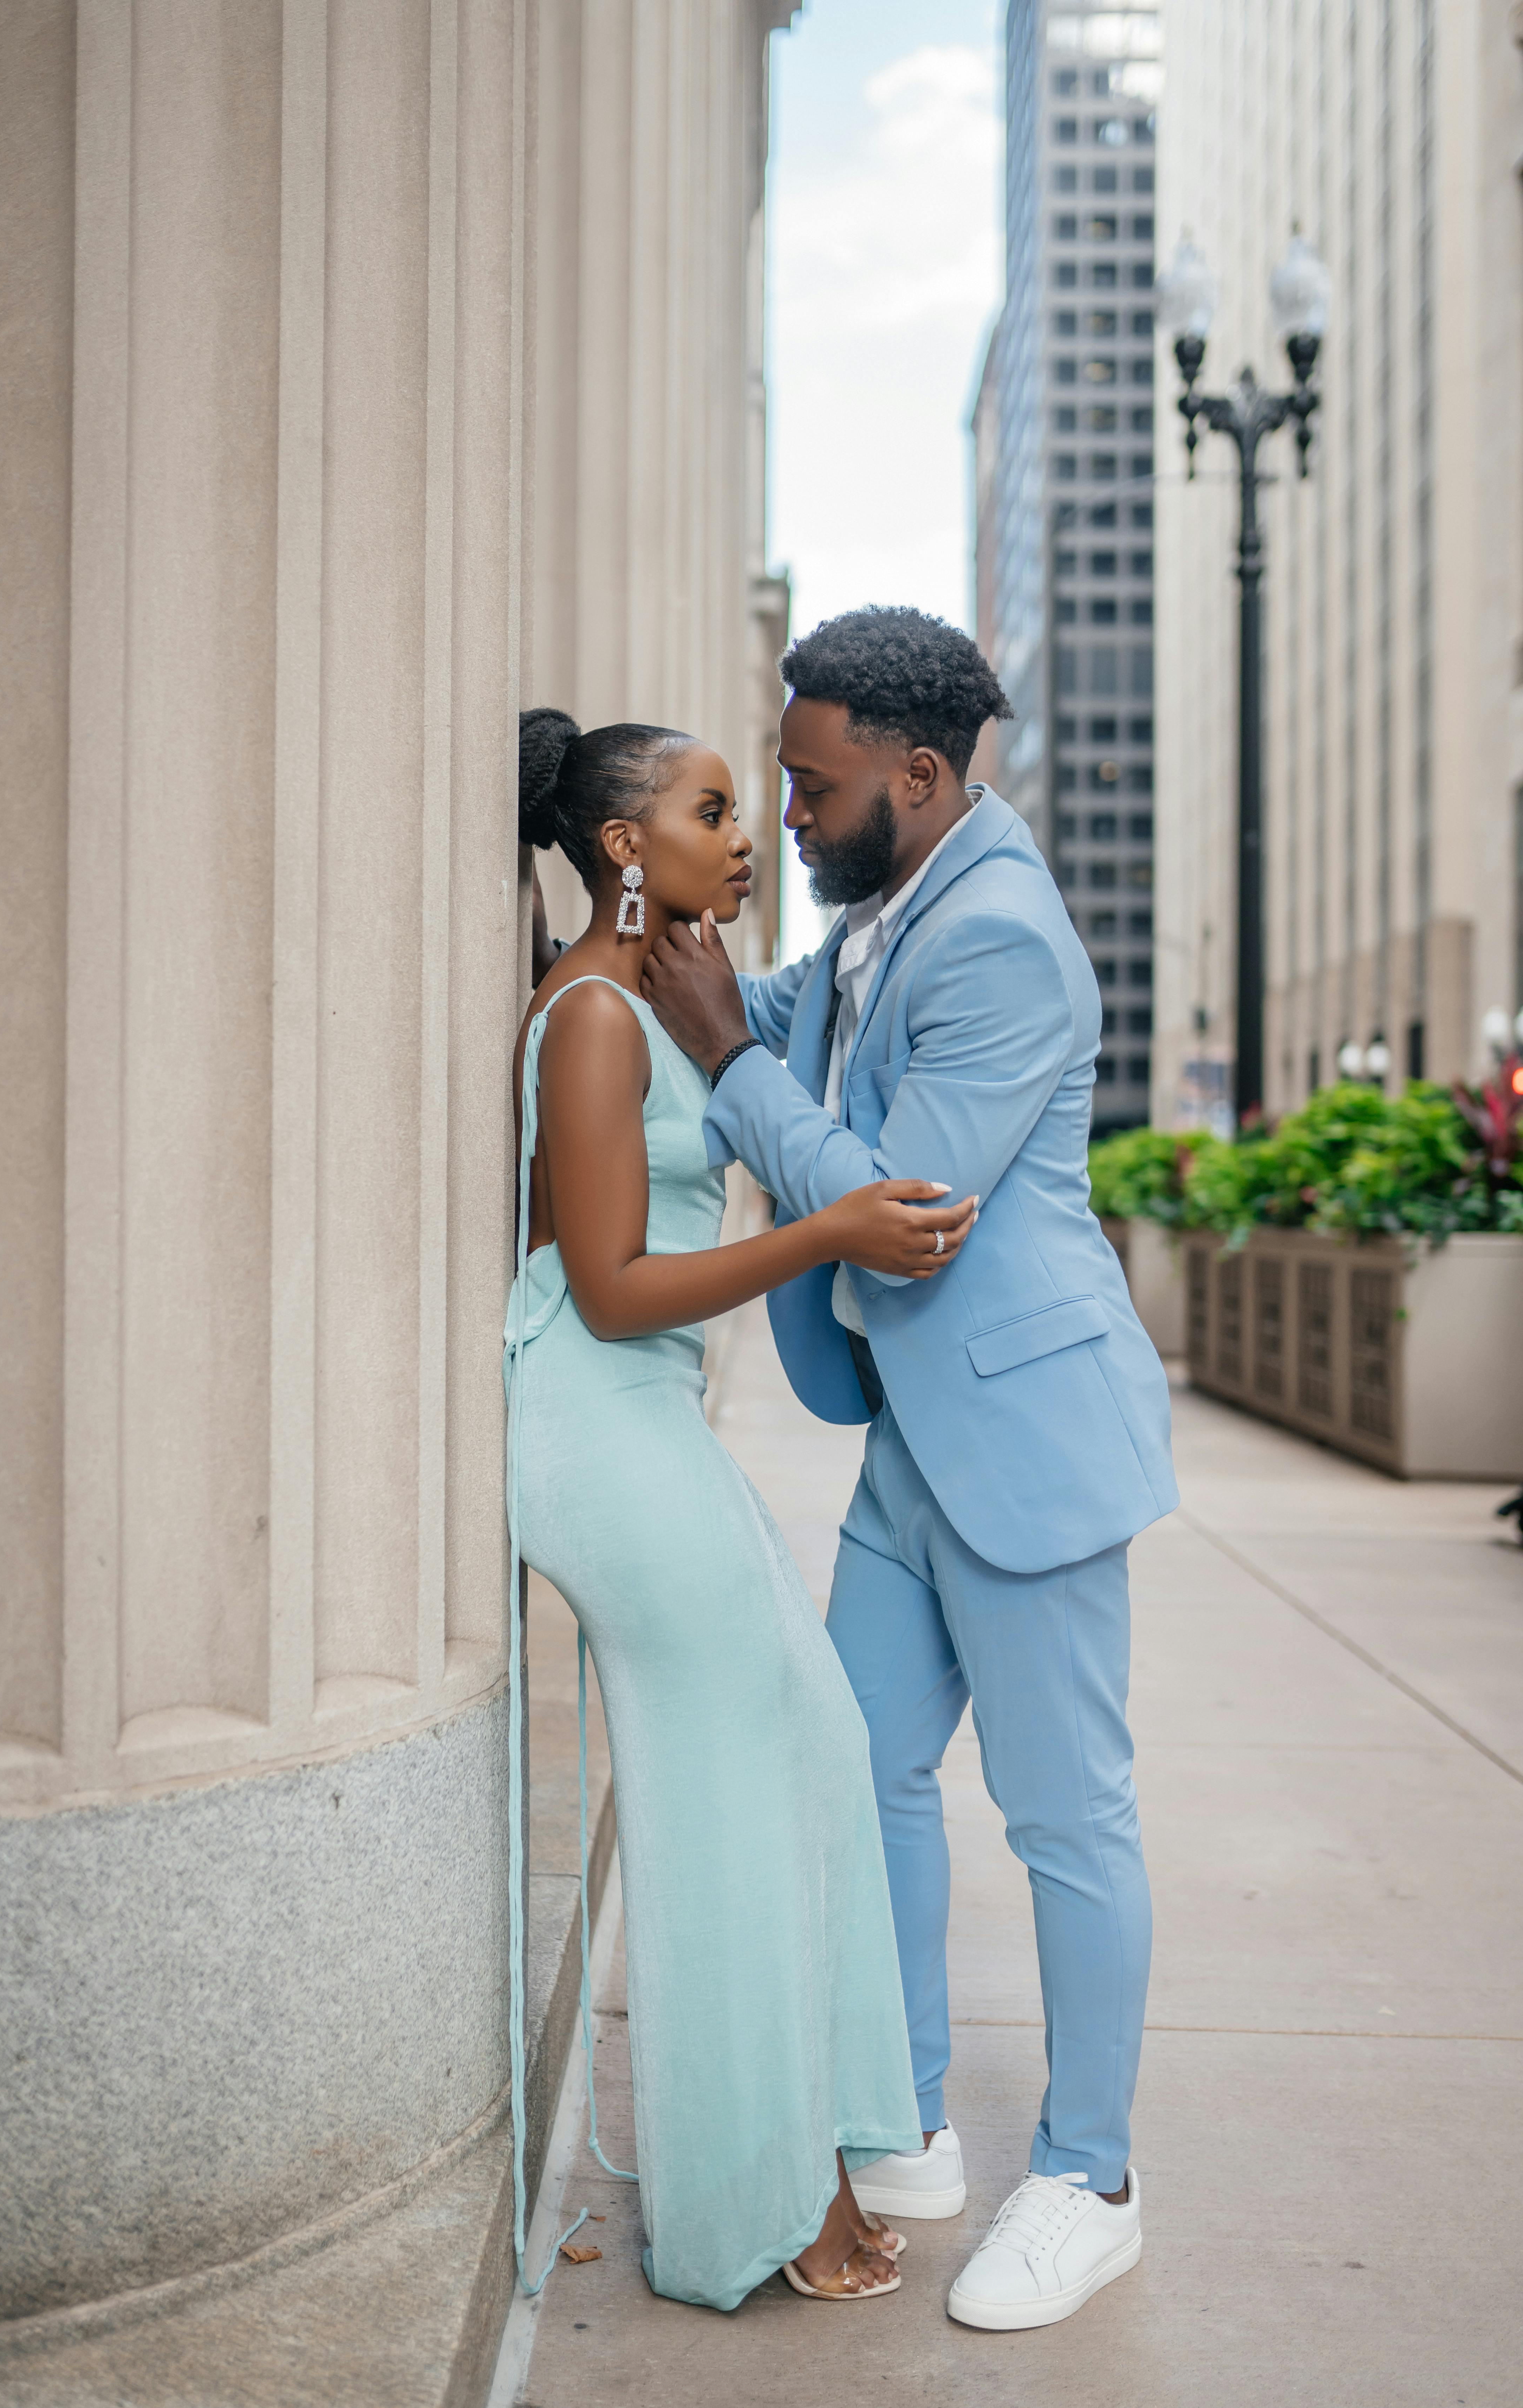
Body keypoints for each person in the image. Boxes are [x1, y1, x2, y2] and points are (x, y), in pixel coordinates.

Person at [639, 605, 1179, 2335]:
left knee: (1061, 1815)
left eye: (808, 785)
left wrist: (729, 1057)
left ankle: (1089, 2178)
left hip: (1018, 1433)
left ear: (920, 774)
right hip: (915, 1451)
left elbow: (903, 1216)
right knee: (857, 1763)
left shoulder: (1000, 939)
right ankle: (912, 2118)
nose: (786, 816)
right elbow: (763, 1001)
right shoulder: (885, 915)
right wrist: (635, 927)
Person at [506, 707, 979, 2312]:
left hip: (650, 1425)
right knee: (720, 1813)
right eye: (712, 808)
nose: (743, 833)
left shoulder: (654, 997)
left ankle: (815, 2157)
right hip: (595, 1417)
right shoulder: (586, 1017)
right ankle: (740, 2214)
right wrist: (826, 1225)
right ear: (624, 847)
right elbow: (614, 1288)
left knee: (820, 1753)